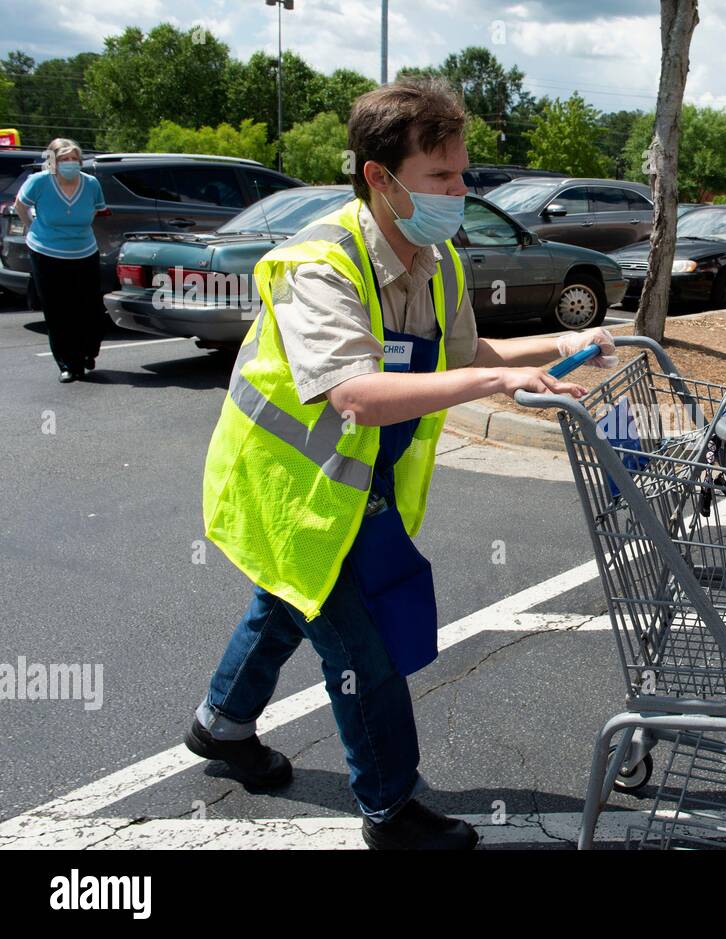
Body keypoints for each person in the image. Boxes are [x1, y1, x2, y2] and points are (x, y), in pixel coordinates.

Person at [187, 78, 617, 850]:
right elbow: (354, 394)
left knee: (286, 603)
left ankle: (220, 724)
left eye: (462, 174)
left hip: (352, 483)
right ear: (379, 178)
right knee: (363, 647)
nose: (460, 191)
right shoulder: (320, 265)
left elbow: (467, 353)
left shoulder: (438, 258)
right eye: (441, 176)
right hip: (289, 487)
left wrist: (560, 347)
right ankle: (389, 808)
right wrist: (494, 382)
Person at [14, 138, 107, 383]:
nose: (70, 163)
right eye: (64, 159)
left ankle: (88, 352)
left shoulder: (91, 183)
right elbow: (20, 206)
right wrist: (32, 228)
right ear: (54, 161)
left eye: (74, 159)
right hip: (46, 253)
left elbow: (95, 209)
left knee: (90, 309)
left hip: (84, 251)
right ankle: (68, 364)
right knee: (59, 311)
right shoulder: (39, 182)